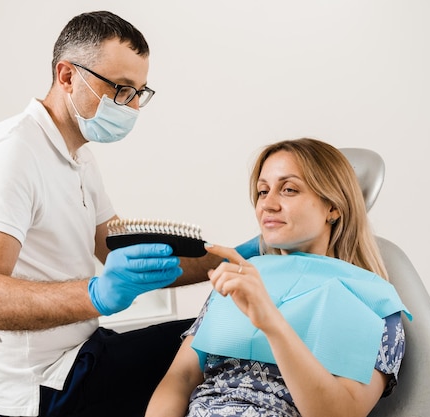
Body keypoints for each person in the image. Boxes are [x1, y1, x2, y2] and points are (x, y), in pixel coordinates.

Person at [0, 11, 227, 417]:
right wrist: (95, 295)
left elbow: (120, 249)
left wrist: (236, 257)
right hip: (38, 391)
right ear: (67, 77)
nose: (132, 105)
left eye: (139, 92)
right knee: (219, 348)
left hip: (80, 354)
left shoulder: (77, 156)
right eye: (121, 89)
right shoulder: (12, 154)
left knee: (217, 334)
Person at [146, 138, 411, 417]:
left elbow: (340, 412)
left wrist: (271, 322)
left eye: (289, 189)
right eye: (262, 191)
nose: (268, 204)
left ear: (333, 207)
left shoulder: (371, 303)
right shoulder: (242, 278)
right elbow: (181, 379)